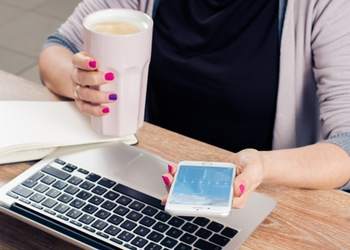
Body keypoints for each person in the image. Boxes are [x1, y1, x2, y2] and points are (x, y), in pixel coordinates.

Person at [39, 0, 350, 208]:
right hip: (142, 181)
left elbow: (346, 145)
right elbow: (57, 50)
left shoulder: (325, 6)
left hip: (257, 203)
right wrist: (82, 84)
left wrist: (264, 167)